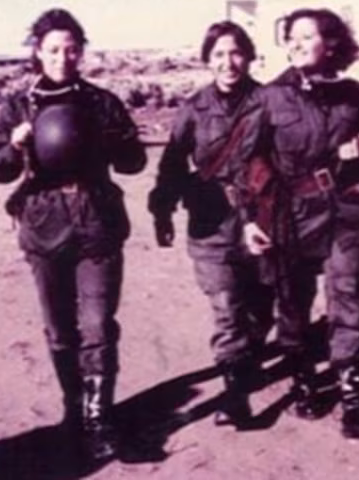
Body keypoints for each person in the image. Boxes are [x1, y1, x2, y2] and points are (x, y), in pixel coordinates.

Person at [0, 8, 147, 462]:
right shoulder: (18, 105)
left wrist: (116, 139)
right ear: (38, 52)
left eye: (72, 49)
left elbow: (134, 162)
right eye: (54, 49)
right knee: (60, 328)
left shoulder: (102, 102)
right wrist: (15, 144)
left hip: (97, 221)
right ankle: (72, 411)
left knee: (97, 324)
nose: (63, 57)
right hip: (44, 224)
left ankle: (99, 418)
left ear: (81, 51)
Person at [235, 8, 359, 440]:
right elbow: (247, 163)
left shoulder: (354, 94)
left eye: (308, 36)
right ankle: (303, 378)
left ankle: (353, 398)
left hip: (345, 208)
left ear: (331, 43)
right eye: (292, 37)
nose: (297, 44)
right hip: (292, 213)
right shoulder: (269, 97)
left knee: (348, 293)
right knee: (294, 301)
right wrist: (249, 219)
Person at [147, 21, 274, 430]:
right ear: (207, 60)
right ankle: (236, 396)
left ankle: (247, 360)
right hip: (211, 221)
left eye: (235, 52)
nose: (228, 62)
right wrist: (162, 209)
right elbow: (172, 162)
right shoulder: (194, 108)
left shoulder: (270, 102)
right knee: (227, 307)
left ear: (249, 56)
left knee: (261, 307)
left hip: (263, 217)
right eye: (218, 54)